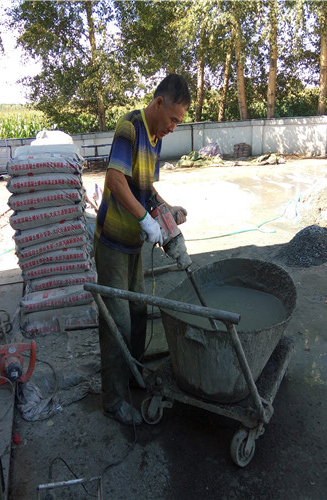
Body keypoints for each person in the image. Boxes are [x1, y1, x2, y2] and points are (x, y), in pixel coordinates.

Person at [94, 74, 191, 425]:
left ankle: (132, 374)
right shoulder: (130, 128)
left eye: (178, 123)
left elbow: (146, 191)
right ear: (159, 103)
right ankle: (113, 400)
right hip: (112, 242)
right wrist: (146, 221)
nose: (173, 128)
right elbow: (115, 179)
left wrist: (166, 209)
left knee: (138, 311)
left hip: (133, 243)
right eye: (173, 119)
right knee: (117, 321)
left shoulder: (155, 139)